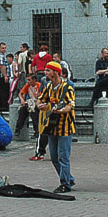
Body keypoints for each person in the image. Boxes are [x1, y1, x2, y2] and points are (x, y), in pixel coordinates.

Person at [35, 61, 76, 193]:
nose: (45, 73)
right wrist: (39, 105)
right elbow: (40, 99)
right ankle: (69, 178)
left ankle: (65, 184)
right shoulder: (47, 86)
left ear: (55, 72)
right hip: (51, 125)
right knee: (53, 156)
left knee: (63, 156)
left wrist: (61, 110)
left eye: (48, 70)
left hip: (65, 126)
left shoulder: (67, 87)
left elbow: (70, 105)